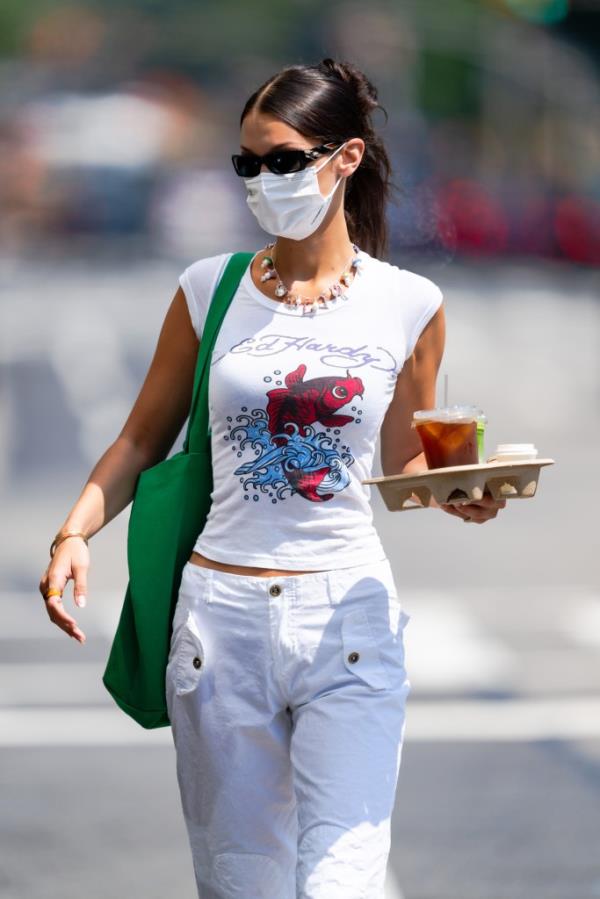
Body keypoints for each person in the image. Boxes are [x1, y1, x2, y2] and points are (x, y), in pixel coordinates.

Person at [39, 57, 506, 898]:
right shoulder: (207, 289)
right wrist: (75, 530)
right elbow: (144, 436)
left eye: (284, 159)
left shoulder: (411, 303)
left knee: (341, 884)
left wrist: (463, 492)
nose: (263, 179)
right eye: (247, 163)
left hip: (349, 620)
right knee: (242, 885)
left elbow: (406, 462)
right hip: (222, 629)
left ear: (345, 159)